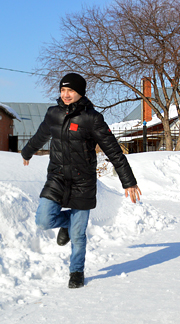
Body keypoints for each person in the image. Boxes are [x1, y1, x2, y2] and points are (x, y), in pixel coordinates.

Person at [21, 73, 141, 289]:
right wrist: (27, 152)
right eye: (63, 90)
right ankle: (65, 223)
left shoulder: (92, 118)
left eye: (71, 91)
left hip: (83, 181)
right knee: (43, 220)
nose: (66, 95)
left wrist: (128, 181)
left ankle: (76, 271)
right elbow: (41, 135)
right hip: (57, 177)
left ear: (80, 93)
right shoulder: (53, 114)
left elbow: (113, 151)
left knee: (78, 234)